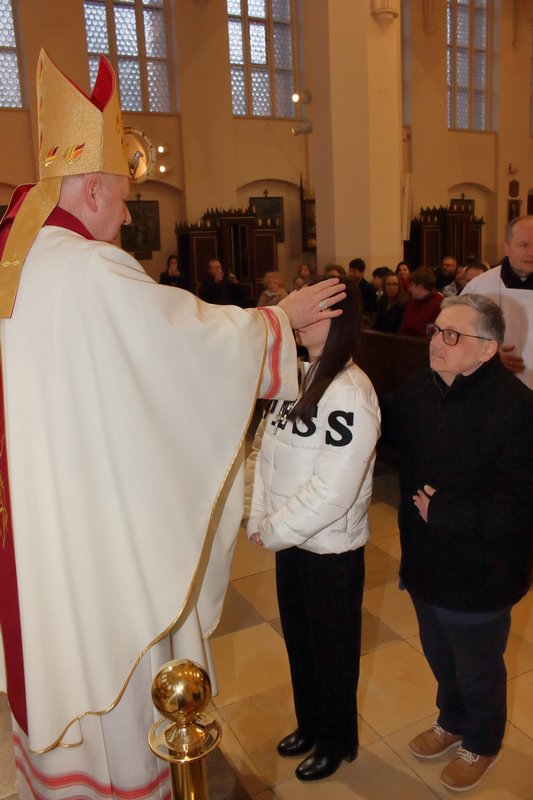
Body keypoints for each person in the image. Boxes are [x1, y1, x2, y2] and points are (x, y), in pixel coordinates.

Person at [0, 50, 347, 800]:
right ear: (93, 188)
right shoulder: (87, 268)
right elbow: (182, 349)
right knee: (115, 649)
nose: (129, 217)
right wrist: (277, 321)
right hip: (94, 521)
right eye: (125, 199)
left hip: (37, 510)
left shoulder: (19, 252)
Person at [382, 294, 533, 793]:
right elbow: (381, 427)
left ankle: (482, 742)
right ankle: (452, 719)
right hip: (425, 561)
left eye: (452, 335)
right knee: (439, 653)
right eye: (435, 331)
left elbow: (522, 504)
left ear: (488, 349)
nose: (436, 342)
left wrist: (447, 513)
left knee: (477, 666)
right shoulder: (420, 388)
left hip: (481, 570)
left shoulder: (516, 408)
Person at [247, 276, 380, 783]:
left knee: (333, 651)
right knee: (300, 642)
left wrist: (273, 530)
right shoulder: (298, 376)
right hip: (290, 543)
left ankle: (336, 740)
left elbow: (332, 491)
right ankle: (309, 725)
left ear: (339, 319)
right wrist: (259, 518)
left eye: (314, 310)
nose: (299, 319)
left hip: (329, 551)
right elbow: (265, 453)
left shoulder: (351, 391)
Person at [462, 215, 533, 388]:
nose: (531, 252)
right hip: (494, 386)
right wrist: (487, 355)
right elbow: (456, 334)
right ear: (506, 247)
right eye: (524, 245)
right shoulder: (479, 287)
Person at [399, 267, 443, 338]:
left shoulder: (439, 303)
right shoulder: (411, 302)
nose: (409, 289)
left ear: (420, 286)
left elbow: (435, 333)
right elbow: (403, 327)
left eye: (411, 285)